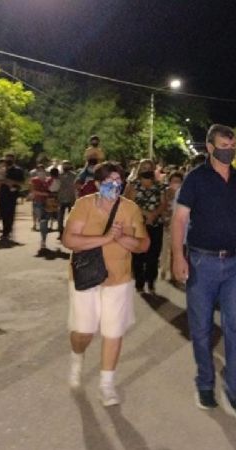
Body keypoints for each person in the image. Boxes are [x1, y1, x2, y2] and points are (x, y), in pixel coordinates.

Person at [172, 124, 236, 418]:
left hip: (234, 264)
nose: (230, 149)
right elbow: (179, 220)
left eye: (233, 144)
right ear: (210, 147)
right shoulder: (196, 179)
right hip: (201, 263)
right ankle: (205, 383)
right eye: (224, 144)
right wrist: (177, 256)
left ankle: (234, 390)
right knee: (202, 328)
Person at [62, 162, 149, 407]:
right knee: (84, 331)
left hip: (118, 278)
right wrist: (106, 238)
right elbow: (69, 240)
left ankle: (106, 385)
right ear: (98, 184)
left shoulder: (130, 209)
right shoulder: (84, 204)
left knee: (113, 331)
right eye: (109, 182)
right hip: (86, 277)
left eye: (118, 181)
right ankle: (77, 356)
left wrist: (122, 238)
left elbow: (143, 245)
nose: (115, 186)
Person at [124, 159, 167, 294]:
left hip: (155, 224)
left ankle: (151, 282)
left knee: (153, 255)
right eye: (144, 168)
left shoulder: (159, 185)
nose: (147, 170)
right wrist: (146, 214)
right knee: (138, 255)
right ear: (139, 170)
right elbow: (128, 202)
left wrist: (154, 214)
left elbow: (163, 203)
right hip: (138, 225)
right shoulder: (132, 185)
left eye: (150, 167)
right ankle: (139, 283)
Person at [159, 171, 183, 282]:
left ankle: (174, 273)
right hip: (167, 224)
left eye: (179, 181)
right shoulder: (165, 193)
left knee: (176, 250)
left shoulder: (184, 194)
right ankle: (163, 269)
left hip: (179, 226)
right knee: (165, 248)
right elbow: (162, 207)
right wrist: (165, 219)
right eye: (174, 181)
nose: (176, 184)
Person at [0, 153, 26, 241]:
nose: (8, 161)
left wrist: (11, 182)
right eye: (7, 159)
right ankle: (6, 231)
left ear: (14, 160)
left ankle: (7, 232)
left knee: (10, 214)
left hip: (12, 195)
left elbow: (22, 183)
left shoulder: (18, 170)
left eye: (10, 159)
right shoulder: (1, 169)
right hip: (2, 194)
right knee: (2, 213)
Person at [57, 160, 76, 238]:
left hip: (71, 198)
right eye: (64, 165)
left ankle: (70, 232)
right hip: (61, 198)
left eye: (67, 165)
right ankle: (61, 232)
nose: (65, 166)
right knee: (60, 217)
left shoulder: (74, 175)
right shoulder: (59, 175)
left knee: (71, 217)